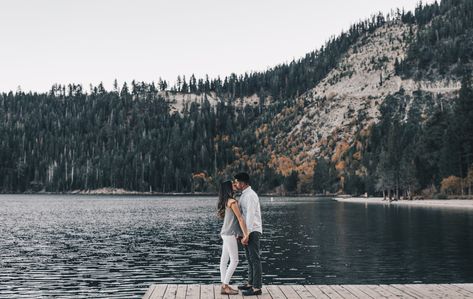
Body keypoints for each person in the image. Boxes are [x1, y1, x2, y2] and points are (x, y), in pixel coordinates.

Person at [217, 180, 250, 295]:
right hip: (229, 234)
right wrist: (246, 234)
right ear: (228, 188)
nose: (235, 185)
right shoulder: (232, 202)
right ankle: (225, 286)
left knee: (224, 260)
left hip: (225, 233)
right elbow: (240, 219)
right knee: (235, 260)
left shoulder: (227, 201)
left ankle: (224, 285)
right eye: (232, 184)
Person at [233, 172, 263, 296]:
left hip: (253, 230)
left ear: (243, 183)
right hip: (247, 231)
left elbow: (250, 215)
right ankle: (250, 283)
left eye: (237, 182)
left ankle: (257, 287)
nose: (235, 184)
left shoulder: (250, 195)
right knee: (249, 259)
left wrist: (247, 233)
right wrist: (241, 232)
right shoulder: (244, 195)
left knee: (255, 259)